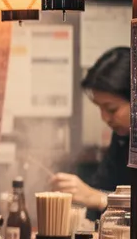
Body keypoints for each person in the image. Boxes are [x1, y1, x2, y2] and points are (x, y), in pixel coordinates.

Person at [51, 46, 131, 213]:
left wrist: (99, 198)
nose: (105, 118)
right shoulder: (123, 137)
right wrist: (77, 192)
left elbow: (96, 195)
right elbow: (101, 184)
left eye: (111, 109)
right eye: (99, 108)